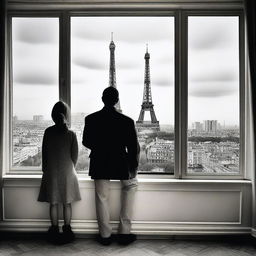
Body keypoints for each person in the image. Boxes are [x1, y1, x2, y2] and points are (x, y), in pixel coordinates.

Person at [82, 86, 140, 246]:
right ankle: (124, 232)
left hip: (100, 160)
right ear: (116, 100)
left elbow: (86, 141)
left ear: (102, 99)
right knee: (130, 188)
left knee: (101, 197)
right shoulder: (127, 121)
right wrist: (133, 166)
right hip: (120, 161)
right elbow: (133, 146)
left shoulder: (91, 119)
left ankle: (105, 235)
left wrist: (101, 146)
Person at [38, 101, 81, 244]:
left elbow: (44, 154)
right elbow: (74, 156)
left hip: (51, 171)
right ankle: (67, 230)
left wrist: (47, 170)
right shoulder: (71, 134)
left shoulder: (48, 132)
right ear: (66, 115)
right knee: (67, 204)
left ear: (53, 115)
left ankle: (54, 230)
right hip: (68, 171)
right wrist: (68, 167)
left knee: (53, 203)